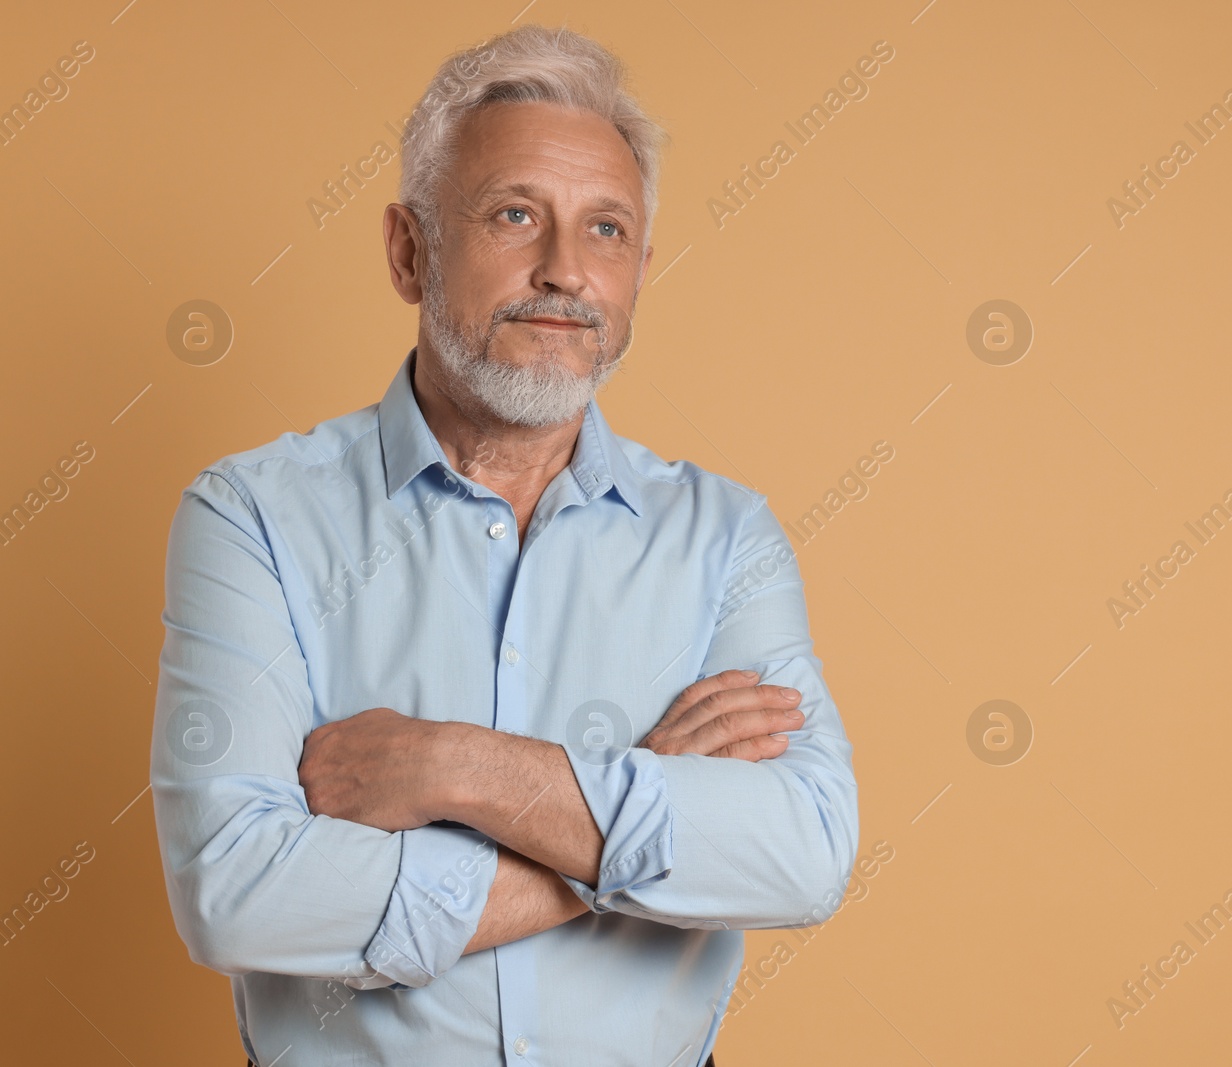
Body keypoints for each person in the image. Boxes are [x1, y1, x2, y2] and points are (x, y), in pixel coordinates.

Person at [150, 23, 858, 1066]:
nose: (565, 271)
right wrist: (638, 803)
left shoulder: (725, 535)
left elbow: (801, 854)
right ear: (408, 250)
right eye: (514, 214)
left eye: (607, 230)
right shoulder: (250, 514)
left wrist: (455, 766)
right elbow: (238, 892)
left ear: (640, 269)